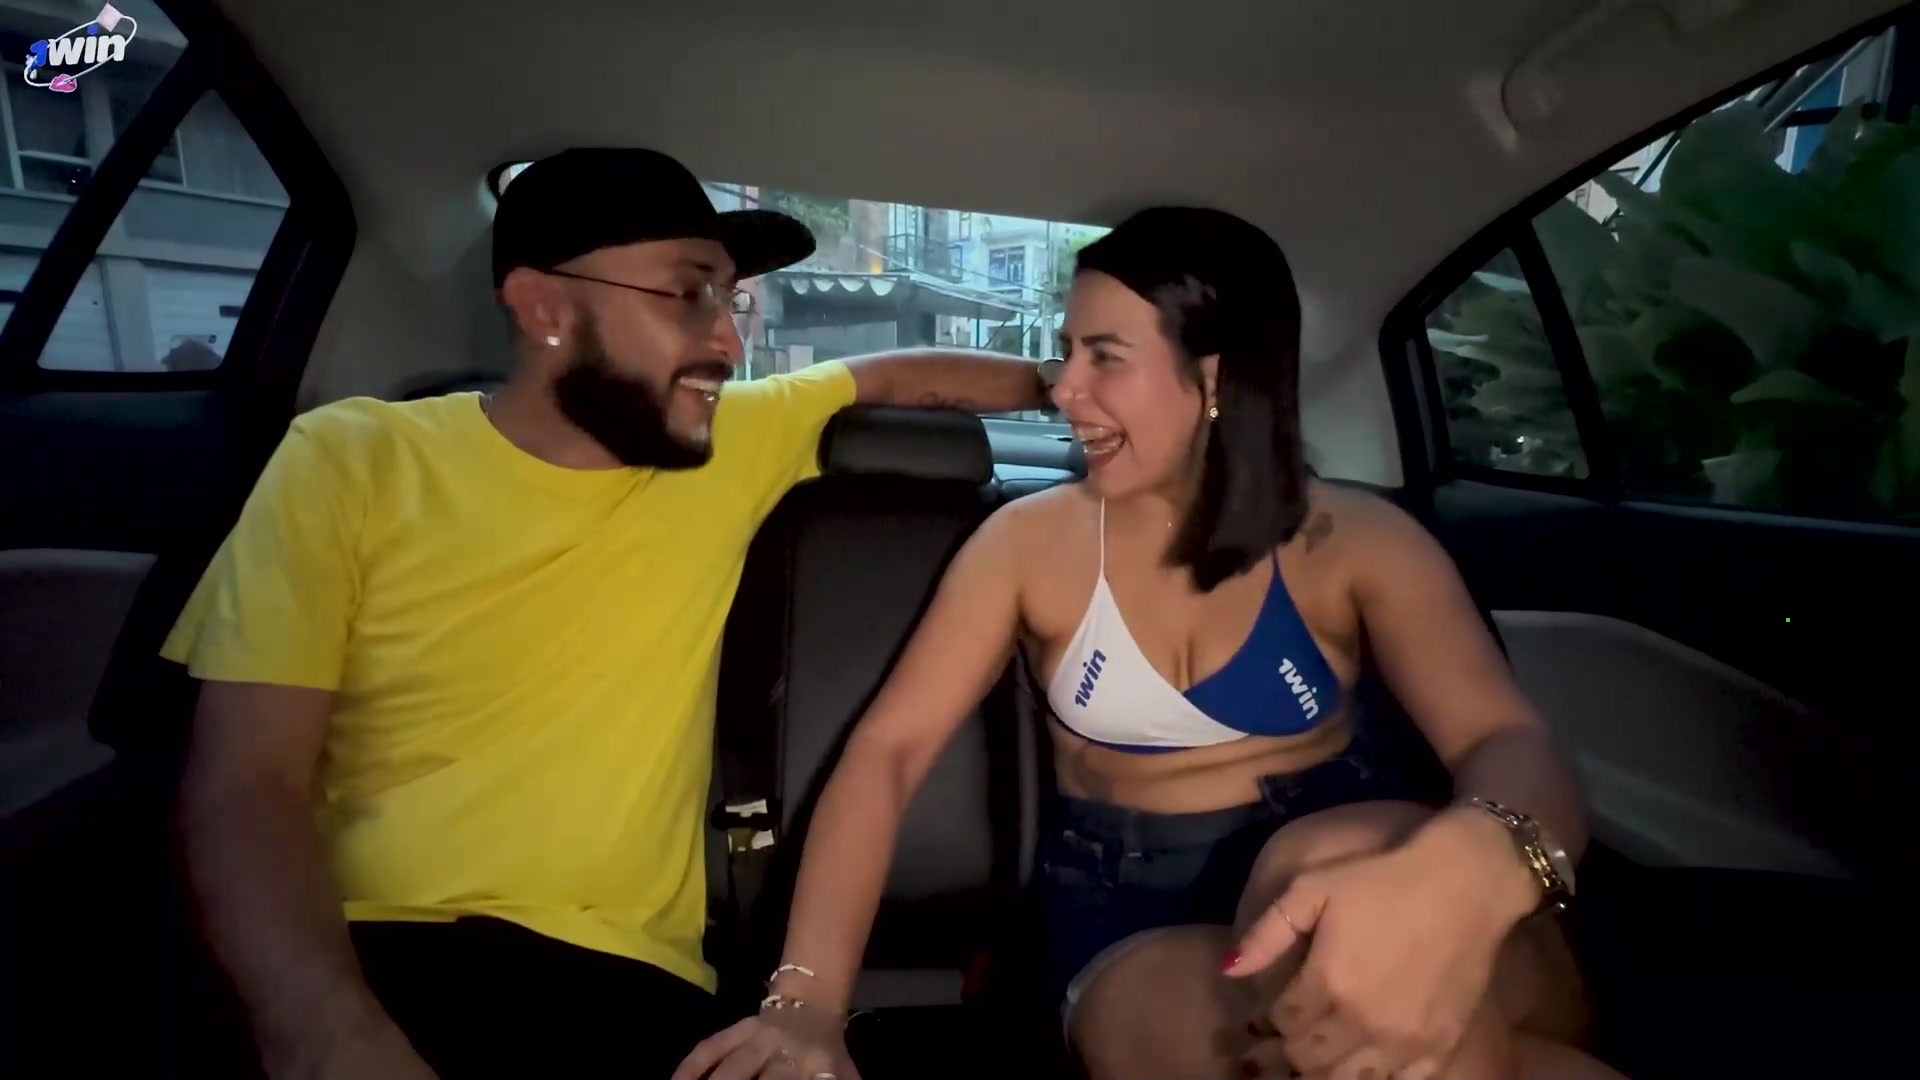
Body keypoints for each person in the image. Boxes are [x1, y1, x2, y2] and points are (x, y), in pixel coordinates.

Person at [162, 147, 1054, 1080]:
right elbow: (246, 783)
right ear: (546, 308)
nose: (728, 341)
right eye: (688, 294)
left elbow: (897, 376)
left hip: (622, 987)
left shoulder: (731, 441)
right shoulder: (352, 457)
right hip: (359, 953)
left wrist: (1079, 382)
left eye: (731, 299)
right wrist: (326, 1033)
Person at [677, 207, 1627, 1080]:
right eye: (1065, 354)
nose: (1062, 389)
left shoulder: (1357, 542)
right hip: (1131, 903)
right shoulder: (1028, 545)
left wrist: (1475, 860)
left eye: (1104, 357)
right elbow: (887, 756)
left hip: (1373, 857)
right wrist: (806, 1003)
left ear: (1215, 377)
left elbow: (1503, 738)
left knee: (1321, 860)